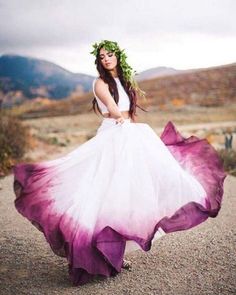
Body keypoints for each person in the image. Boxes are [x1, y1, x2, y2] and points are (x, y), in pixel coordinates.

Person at [13, 39, 227, 287]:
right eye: (102, 56)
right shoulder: (100, 83)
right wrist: (129, 127)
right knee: (105, 193)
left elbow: (128, 112)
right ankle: (98, 251)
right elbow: (115, 112)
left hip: (128, 135)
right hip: (114, 135)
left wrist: (133, 127)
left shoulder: (124, 82)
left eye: (109, 54)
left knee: (127, 194)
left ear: (118, 56)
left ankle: (117, 251)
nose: (106, 59)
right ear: (99, 60)